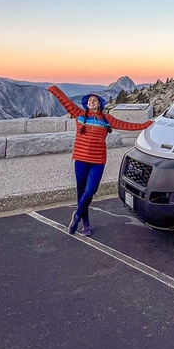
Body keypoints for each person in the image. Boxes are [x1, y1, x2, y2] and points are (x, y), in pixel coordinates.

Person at [47, 85, 153, 237]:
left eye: (94, 100)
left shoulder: (106, 119)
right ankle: (86, 224)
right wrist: (54, 89)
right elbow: (66, 102)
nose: (91, 102)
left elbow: (126, 125)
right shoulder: (79, 114)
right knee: (81, 191)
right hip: (81, 160)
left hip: (98, 161)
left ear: (99, 104)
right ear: (86, 103)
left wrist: (145, 125)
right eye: (89, 100)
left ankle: (76, 215)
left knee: (90, 191)